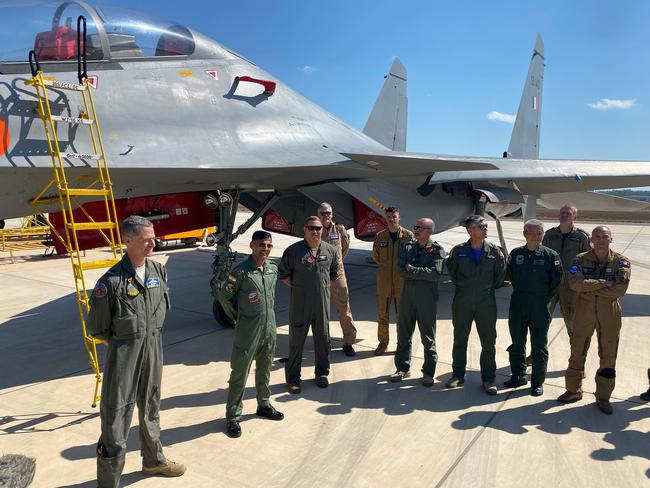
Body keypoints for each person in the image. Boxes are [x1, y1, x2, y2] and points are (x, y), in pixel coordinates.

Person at [87, 215, 185, 488]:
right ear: (127, 240)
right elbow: (97, 329)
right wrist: (124, 345)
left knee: (151, 406)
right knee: (116, 416)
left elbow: (162, 309)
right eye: (146, 240)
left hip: (154, 349)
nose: (152, 244)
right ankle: (109, 482)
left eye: (153, 238)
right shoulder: (111, 283)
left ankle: (153, 460)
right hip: (125, 355)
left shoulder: (158, 271)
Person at [557, 226, 631, 414]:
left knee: (608, 353)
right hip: (584, 310)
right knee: (577, 349)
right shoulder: (580, 259)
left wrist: (588, 286)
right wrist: (604, 282)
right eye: (597, 237)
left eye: (604, 237)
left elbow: (620, 290)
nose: (600, 240)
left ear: (611, 239)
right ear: (591, 239)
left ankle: (603, 396)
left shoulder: (621, 262)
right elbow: (574, 283)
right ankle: (573, 390)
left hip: (609, 312)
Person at [217, 231, 284, 439]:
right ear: (252, 246)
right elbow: (224, 296)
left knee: (265, 368)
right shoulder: (241, 272)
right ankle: (233, 416)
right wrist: (239, 317)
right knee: (240, 373)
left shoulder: (272, 269)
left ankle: (263, 404)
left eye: (269, 246)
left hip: (269, 327)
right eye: (261, 245)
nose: (265, 249)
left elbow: (270, 295)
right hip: (248, 329)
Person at [278, 216, 341, 393]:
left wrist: (319, 288)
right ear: (304, 229)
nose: (315, 232)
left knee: (323, 339)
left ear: (322, 230)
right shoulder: (293, 251)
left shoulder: (330, 250)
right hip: (301, 303)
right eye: (311, 228)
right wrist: (301, 287)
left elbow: (334, 273)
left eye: (318, 228)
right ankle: (293, 378)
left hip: (322, 303)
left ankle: (322, 373)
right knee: (296, 341)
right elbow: (283, 274)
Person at [445, 215, 506, 395]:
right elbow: (452, 274)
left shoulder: (494, 252)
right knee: (460, 339)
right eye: (482, 226)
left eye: (486, 226)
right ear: (470, 230)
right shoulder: (458, 251)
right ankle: (457, 375)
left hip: (485, 301)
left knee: (488, 342)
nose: (486, 229)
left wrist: (482, 288)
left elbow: (499, 277)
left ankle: (488, 379)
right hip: (462, 300)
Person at [505, 219, 563, 397]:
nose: (536, 236)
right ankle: (518, 376)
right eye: (532, 233)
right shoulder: (516, 254)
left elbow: (557, 281)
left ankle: (537, 382)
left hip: (539, 306)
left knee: (539, 345)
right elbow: (510, 275)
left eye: (539, 233)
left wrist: (543, 298)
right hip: (518, 304)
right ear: (525, 234)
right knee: (517, 343)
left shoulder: (550, 255)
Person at [388, 218, 445, 387]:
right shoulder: (408, 247)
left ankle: (428, 372)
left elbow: (435, 274)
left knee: (428, 336)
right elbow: (399, 270)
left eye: (421, 228)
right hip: (407, 297)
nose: (417, 230)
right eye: (415, 227)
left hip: (426, 298)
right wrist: (418, 272)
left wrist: (412, 270)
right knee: (403, 333)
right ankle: (402, 368)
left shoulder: (437, 250)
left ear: (430, 231)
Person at [541, 203, 591, 338]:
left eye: (568, 213)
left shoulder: (582, 237)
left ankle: (576, 357)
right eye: (562, 213)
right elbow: (543, 257)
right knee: (542, 321)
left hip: (571, 286)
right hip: (551, 283)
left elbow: (588, 260)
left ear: (575, 216)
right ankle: (537, 355)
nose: (564, 215)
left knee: (573, 322)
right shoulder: (550, 235)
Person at [372, 206, 414, 355]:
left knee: (401, 315)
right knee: (382, 313)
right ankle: (383, 342)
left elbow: (412, 257)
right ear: (385, 218)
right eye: (388, 217)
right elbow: (376, 256)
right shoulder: (380, 236)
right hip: (384, 281)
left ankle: (401, 343)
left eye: (394, 216)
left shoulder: (408, 236)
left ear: (399, 217)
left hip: (401, 281)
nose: (391, 219)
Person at [318, 202, 358, 356]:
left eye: (328, 212)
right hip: (320, 275)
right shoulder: (315, 230)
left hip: (338, 275)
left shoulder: (340, 230)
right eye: (322, 213)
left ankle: (348, 342)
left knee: (344, 309)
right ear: (319, 215)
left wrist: (338, 263)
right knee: (321, 311)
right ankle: (323, 342)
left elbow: (344, 249)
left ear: (332, 214)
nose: (326, 216)